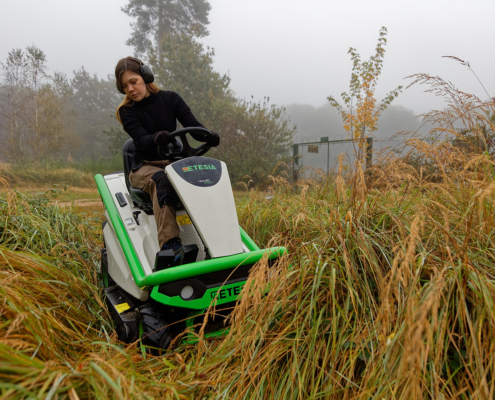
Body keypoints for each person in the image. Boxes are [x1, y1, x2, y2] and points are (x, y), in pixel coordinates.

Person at [114, 56, 219, 263]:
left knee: (203, 177)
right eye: (124, 86)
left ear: (146, 77)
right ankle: (171, 247)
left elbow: (194, 127)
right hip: (143, 167)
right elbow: (142, 140)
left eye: (133, 82)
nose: (130, 89)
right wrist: (156, 138)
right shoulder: (127, 112)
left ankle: (216, 238)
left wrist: (209, 136)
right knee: (162, 179)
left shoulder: (171, 99)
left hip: (172, 162)